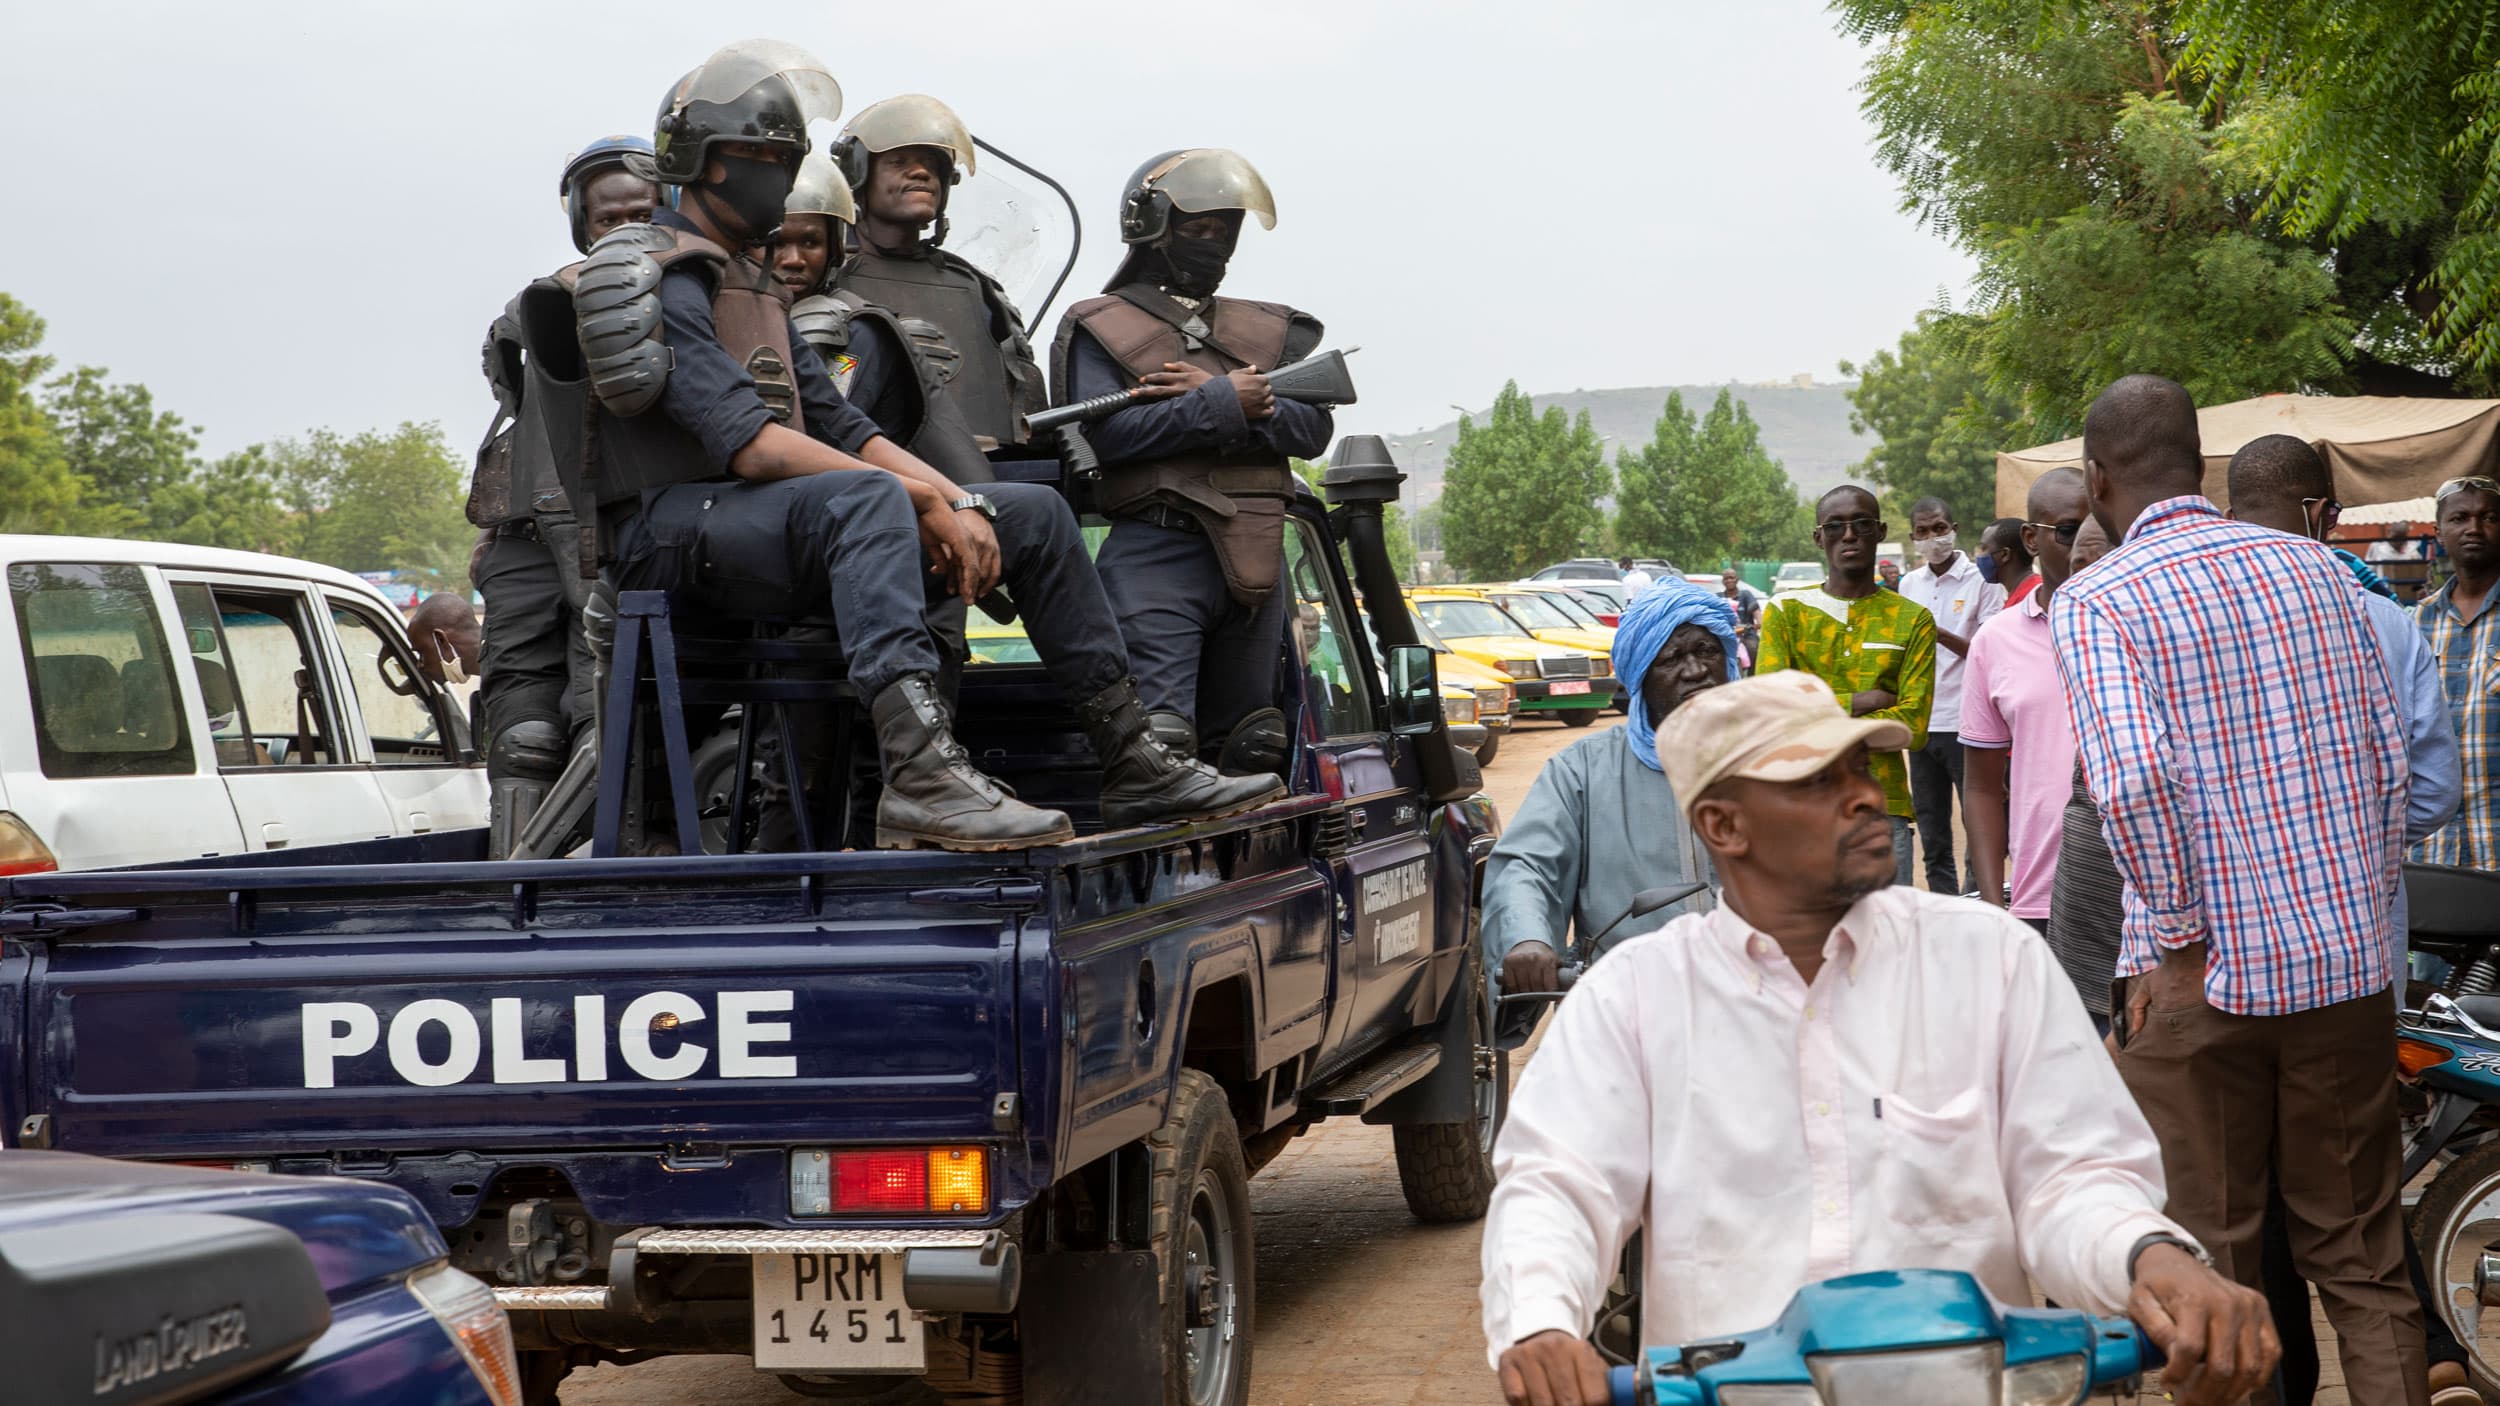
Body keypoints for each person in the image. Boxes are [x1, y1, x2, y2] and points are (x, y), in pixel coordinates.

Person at [1481, 670, 2276, 1406]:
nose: (1865, 798)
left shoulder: (1988, 957)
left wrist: (2153, 1257)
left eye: (1862, 770)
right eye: (1819, 781)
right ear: (1723, 825)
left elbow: (2070, 1177)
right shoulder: (1636, 995)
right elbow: (1558, 1185)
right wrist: (1542, 1325)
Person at [578, 42, 1280, 852]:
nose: (777, 174)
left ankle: (1134, 761)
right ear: (697, 161)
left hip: (758, 521)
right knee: (870, 498)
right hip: (670, 531)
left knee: (1034, 514)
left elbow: (842, 427)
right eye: (760, 157)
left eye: (786, 157)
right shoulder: (664, 273)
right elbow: (753, 446)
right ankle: (922, 779)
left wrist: (962, 498)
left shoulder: (754, 280)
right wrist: (920, 498)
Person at [2056, 374, 2425, 1404]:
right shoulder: (2316, 570)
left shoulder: (2098, 596)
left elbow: (2127, 778)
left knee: (2212, 1268)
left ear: (2095, 482)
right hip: (2344, 971)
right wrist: (2354, 903)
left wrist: (2174, 940)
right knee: (2360, 1259)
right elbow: (2388, 758)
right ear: (2202, 467)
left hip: (2202, 983)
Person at [2225, 433, 2473, 1406]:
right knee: (2358, 1227)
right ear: (2323, 514)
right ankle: (2430, 1369)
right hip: (2354, 962)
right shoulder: (2379, 617)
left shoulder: (2192, 614)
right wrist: (2345, 822)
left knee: (2246, 1222)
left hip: (2228, 972)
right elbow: (2433, 789)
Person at [1048, 149, 1333, 771]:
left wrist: (1244, 408)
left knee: (1253, 746)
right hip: (1157, 550)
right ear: (1153, 228)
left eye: (1224, 231)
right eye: (1197, 228)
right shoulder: (1102, 326)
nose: (1213, 243)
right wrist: (1220, 404)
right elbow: (1107, 438)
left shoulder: (1268, 330)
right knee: (1159, 747)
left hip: (1258, 554)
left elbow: (1313, 429)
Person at [470, 135, 660, 855]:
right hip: (534, 537)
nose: (625, 228)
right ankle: (513, 895)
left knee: (605, 717)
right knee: (523, 735)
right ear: (584, 224)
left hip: (624, 538)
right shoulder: (541, 307)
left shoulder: (696, 298)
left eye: (640, 211)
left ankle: (538, 886)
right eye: (609, 219)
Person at [1480, 580, 1739, 998]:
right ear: (1640, 678)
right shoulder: (1582, 770)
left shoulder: (1772, 758)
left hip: (1757, 999)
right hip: (1626, 1003)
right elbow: (1527, 866)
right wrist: (1526, 937)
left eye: (1707, 651)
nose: (1695, 670)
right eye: (1672, 657)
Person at [829, 95, 1048, 457]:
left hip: (979, 469)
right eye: (899, 162)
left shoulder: (973, 287)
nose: (920, 173)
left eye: (932, 164)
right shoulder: (824, 271)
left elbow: (1024, 403)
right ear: (858, 175)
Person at [1755, 485, 1935, 885]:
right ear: (1818, 537)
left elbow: (1915, 727)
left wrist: (1812, 718)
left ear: (1881, 531)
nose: (1849, 535)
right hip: (1797, 806)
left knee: (1885, 940)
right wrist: (1866, 700)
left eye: (1862, 524)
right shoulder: (1786, 612)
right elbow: (1768, 712)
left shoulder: (1912, 618)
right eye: (1835, 526)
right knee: (1802, 941)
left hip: (1880, 808)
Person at [1960, 469, 2086, 926]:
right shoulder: (1995, 642)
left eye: (2105, 530)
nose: (2089, 546)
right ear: (2032, 539)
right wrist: (1996, 909)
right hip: (2042, 900)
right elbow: (1981, 786)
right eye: (2069, 531)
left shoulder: (2145, 628)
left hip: (2151, 900)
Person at [1896, 496, 2003, 895]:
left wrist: (1937, 633)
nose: (1932, 538)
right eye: (1923, 532)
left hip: (1968, 722)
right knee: (1932, 829)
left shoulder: (1982, 582)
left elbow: (1990, 653)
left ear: (1953, 528)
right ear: (1913, 538)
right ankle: (1944, 907)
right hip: (1923, 723)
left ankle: (1977, 902)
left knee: (1977, 824)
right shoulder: (1908, 584)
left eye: (1939, 528)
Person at [2044, 515, 2123, 1027]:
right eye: (2078, 567)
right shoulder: (2059, 631)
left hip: (2151, 923)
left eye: (2102, 564)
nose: (2086, 581)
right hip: (2078, 903)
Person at [2415, 476, 2500, 868]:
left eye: (2489, 517)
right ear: (2439, 533)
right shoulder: (2414, 624)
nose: (2474, 528)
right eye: (2459, 518)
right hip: (2430, 854)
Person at [408, 593, 481, 686]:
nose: (420, 665)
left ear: (440, 640)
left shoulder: (501, 683)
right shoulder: (497, 671)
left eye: (421, 653)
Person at [1979, 515, 2038, 605]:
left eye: (1983, 548)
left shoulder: (2029, 601)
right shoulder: (2025, 594)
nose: (1979, 556)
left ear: (2005, 554)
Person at [1717, 567, 1759, 662]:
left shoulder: (1745, 595)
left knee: (1753, 649)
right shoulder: (1719, 597)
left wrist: (1759, 622)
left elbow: (1755, 609)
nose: (1729, 580)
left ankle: (1751, 676)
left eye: (1731, 578)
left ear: (1737, 579)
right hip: (1726, 634)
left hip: (1746, 633)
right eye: (1726, 579)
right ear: (1723, 581)